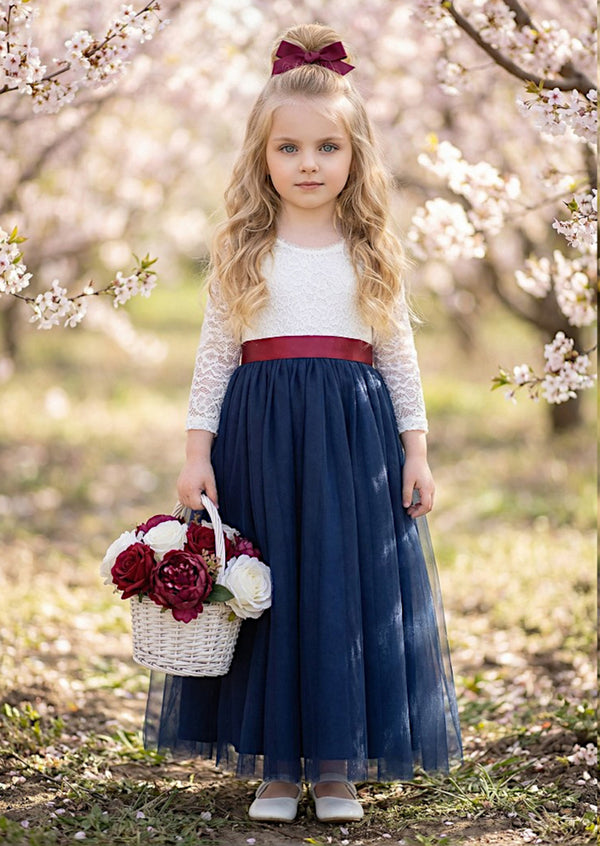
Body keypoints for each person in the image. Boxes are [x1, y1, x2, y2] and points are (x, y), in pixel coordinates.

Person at [144, 23, 462, 824]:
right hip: (261, 435)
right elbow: (215, 355)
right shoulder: (244, 250)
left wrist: (416, 450)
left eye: (328, 148)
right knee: (272, 591)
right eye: (289, 149)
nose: (309, 164)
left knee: (340, 588)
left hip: (354, 439)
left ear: (355, 157)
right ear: (262, 157)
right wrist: (196, 452)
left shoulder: (369, 249)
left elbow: (399, 355)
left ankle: (334, 766)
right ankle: (275, 770)